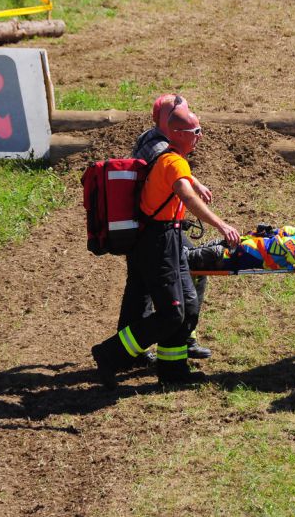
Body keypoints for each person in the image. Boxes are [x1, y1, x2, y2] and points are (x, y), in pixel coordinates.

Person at [91, 109, 240, 388]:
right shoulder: (173, 162)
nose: (200, 136)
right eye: (195, 131)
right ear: (177, 134)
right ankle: (109, 353)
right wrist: (221, 225)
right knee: (171, 312)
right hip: (157, 244)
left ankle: (173, 372)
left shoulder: (173, 159)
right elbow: (187, 196)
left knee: (188, 306)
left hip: (167, 239)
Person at [117, 94, 214, 364]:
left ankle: (127, 352)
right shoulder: (159, 146)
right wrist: (217, 221)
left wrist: (194, 180)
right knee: (192, 274)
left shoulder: (150, 139)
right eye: (177, 113)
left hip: (142, 228)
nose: (182, 115)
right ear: (163, 119)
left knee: (139, 289)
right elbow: (175, 177)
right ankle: (182, 338)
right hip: (158, 232)